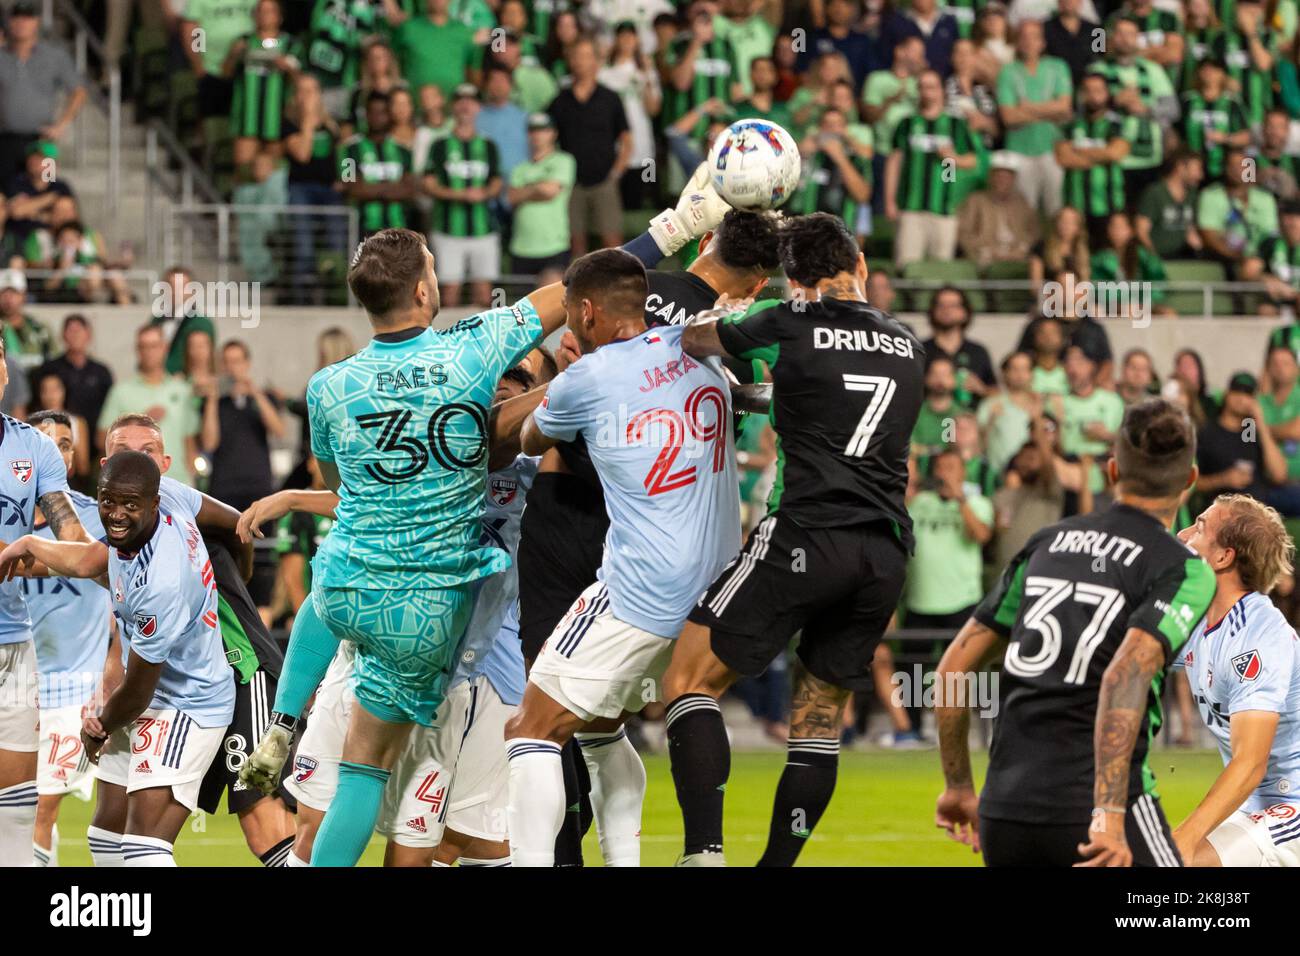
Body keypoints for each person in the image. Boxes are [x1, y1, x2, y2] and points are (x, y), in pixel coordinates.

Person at [238, 228, 566, 867]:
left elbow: (342, 485)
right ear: (423, 288)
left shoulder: (328, 385)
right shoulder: (471, 353)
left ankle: (281, 720)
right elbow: (569, 291)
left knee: (330, 580)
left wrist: (303, 497)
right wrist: (671, 231)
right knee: (365, 772)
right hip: (423, 617)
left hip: (349, 586)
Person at [662, 212, 925, 866]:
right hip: (884, 551)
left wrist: (724, 308)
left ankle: (704, 854)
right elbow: (821, 399)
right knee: (816, 724)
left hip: (808, 533)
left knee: (687, 681)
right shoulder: (908, 343)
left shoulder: (787, 319)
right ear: (859, 262)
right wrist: (762, 396)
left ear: (792, 278)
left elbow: (696, 340)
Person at [505, 248, 741, 868]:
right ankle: (683, 854)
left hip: (639, 588)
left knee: (530, 728)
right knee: (601, 729)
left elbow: (528, 438)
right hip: (716, 590)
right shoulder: (697, 349)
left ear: (584, 312)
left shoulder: (589, 374)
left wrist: (562, 381)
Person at [934, 398, 1214, 866]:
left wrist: (960, 786)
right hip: (1097, 809)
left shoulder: (1047, 543)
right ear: (1190, 479)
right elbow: (1125, 674)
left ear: (1111, 472)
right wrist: (1106, 812)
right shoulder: (1183, 569)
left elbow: (953, 669)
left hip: (1005, 810)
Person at [0, 452, 235, 867]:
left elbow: (138, 690)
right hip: (152, 694)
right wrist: (29, 543)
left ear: (152, 502)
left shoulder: (158, 584)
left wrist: (99, 727)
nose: (117, 515)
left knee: (144, 847)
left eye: (130, 505)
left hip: (186, 703)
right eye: (109, 502)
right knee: (106, 839)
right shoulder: (168, 500)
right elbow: (91, 560)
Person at [1173, 495, 1300, 866]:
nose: (1182, 534)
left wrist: (1186, 835)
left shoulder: (1258, 638)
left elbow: (1250, 763)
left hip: (1291, 804)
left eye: (1198, 527)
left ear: (1223, 557)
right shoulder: (1202, 622)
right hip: (1251, 810)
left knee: (1178, 860)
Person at [23, 410, 111, 867]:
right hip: (16, 687)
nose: (55, 451)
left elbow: (125, 599)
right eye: (44, 442)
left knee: (39, 808)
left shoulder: (97, 520)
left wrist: (112, 672)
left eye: (64, 443)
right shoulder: (8, 517)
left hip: (75, 691)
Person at [885, 69, 981, 268]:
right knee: (907, 267)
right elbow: (894, 163)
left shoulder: (955, 125)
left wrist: (953, 158)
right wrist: (890, 201)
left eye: (931, 87)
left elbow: (973, 160)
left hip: (944, 208)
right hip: (910, 207)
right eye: (922, 87)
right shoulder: (907, 124)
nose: (926, 92)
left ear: (941, 91)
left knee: (941, 270)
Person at [548, 37, 632, 256]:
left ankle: (616, 288)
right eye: (576, 56)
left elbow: (626, 139)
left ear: (596, 62)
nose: (580, 61)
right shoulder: (559, 101)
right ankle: (579, 289)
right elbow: (548, 140)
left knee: (612, 243)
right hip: (571, 183)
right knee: (576, 243)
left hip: (605, 180)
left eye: (586, 56)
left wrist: (616, 173)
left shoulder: (610, 98)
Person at [423, 84, 502, 308]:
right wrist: (460, 195)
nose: (466, 106)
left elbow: (497, 181)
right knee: (448, 293)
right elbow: (428, 183)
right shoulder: (439, 145)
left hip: (483, 229)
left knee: (485, 295)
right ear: (453, 107)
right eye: (460, 100)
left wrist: (484, 193)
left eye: (471, 101)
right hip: (448, 230)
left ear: (478, 107)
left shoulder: (488, 145)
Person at [903, 447, 994, 633]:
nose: (944, 473)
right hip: (920, 601)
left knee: (958, 661)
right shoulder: (920, 502)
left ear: (963, 471)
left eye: (950, 467)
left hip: (961, 602)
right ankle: (918, 666)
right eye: (940, 467)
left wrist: (960, 499)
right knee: (916, 662)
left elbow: (981, 536)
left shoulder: (978, 503)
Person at [96, 325, 200, 484]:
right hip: (134, 483)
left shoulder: (182, 390)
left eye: (154, 346)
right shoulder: (121, 391)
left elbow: (189, 440)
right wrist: (140, 421)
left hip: (179, 481)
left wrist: (194, 480)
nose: (149, 351)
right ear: (137, 350)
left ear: (164, 348)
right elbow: (101, 438)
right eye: (143, 346)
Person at [0, 3, 87, 182]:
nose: (22, 23)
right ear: (9, 22)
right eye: (17, 18)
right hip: (5, 138)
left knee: (46, 186)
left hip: (43, 140)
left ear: (37, 22)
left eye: (27, 18)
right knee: (5, 193)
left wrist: (62, 124)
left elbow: (78, 91)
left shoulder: (54, 56)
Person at [996, 20, 1073, 216]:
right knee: (1023, 212)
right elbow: (1009, 117)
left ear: (1042, 42)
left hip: (1052, 149)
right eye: (1024, 37)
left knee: (1055, 210)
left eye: (1034, 37)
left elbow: (1064, 107)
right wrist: (1050, 111)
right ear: (1018, 42)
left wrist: (1028, 107)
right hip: (1019, 151)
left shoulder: (1057, 67)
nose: (1029, 42)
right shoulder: (1008, 72)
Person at [1055, 73, 1131, 247]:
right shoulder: (1071, 124)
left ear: (1107, 93)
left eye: (1098, 90)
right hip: (1075, 205)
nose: (1093, 95)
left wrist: (1078, 150)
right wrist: (1101, 155)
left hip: (1110, 204)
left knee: (1108, 256)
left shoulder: (1117, 123)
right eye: (1087, 91)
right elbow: (1063, 158)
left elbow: (1115, 154)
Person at [1195, 371, 1288, 504]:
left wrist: (1260, 422)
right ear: (1227, 394)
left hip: (1259, 507)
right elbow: (1193, 482)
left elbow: (1279, 475)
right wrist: (1223, 479)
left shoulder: (1251, 430)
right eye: (1237, 392)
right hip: (1223, 509)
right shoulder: (1207, 432)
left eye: (1248, 394)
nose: (1242, 398)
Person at [508, 114, 576, 285]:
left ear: (553, 133)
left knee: (552, 307)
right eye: (533, 130)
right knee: (519, 309)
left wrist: (526, 190)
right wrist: (538, 187)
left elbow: (550, 191)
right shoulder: (519, 168)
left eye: (543, 130)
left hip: (553, 246)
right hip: (521, 246)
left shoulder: (564, 160)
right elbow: (511, 197)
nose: (537, 134)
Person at [1198, 146, 1279, 279]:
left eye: (1243, 165)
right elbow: (1210, 237)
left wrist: (1258, 258)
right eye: (1232, 165)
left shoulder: (1265, 199)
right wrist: (1239, 258)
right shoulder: (1210, 196)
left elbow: (1269, 234)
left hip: (1261, 260)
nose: (1238, 170)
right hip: (1226, 260)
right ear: (1224, 168)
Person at [956, 151, 1041, 267]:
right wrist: (984, 250)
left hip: (1016, 254)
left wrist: (1022, 248)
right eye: (999, 176)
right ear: (991, 177)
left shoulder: (1021, 203)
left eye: (1007, 177)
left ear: (1014, 179)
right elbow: (963, 233)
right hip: (984, 255)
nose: (1003, 180)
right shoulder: (976, 201)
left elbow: (1033, 232)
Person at [922, 285, 995, 403]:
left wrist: (981, 389)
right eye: (941, 305)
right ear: (933, 311)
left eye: (953, 305)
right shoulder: (919, 350)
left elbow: (996, 391)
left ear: (965, 312)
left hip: (970, 417)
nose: (947, 310)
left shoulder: (978, 351)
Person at [1135, 148, 1204, 260]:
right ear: (1181, 167)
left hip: (1180, 258)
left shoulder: (1192, 195)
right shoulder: (1155, 193)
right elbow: (1141, 231)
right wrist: (1154, 260)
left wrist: (1199, 250)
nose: (1201, 175)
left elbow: (1190, 229)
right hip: (1157, 258)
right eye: (1197, 169)